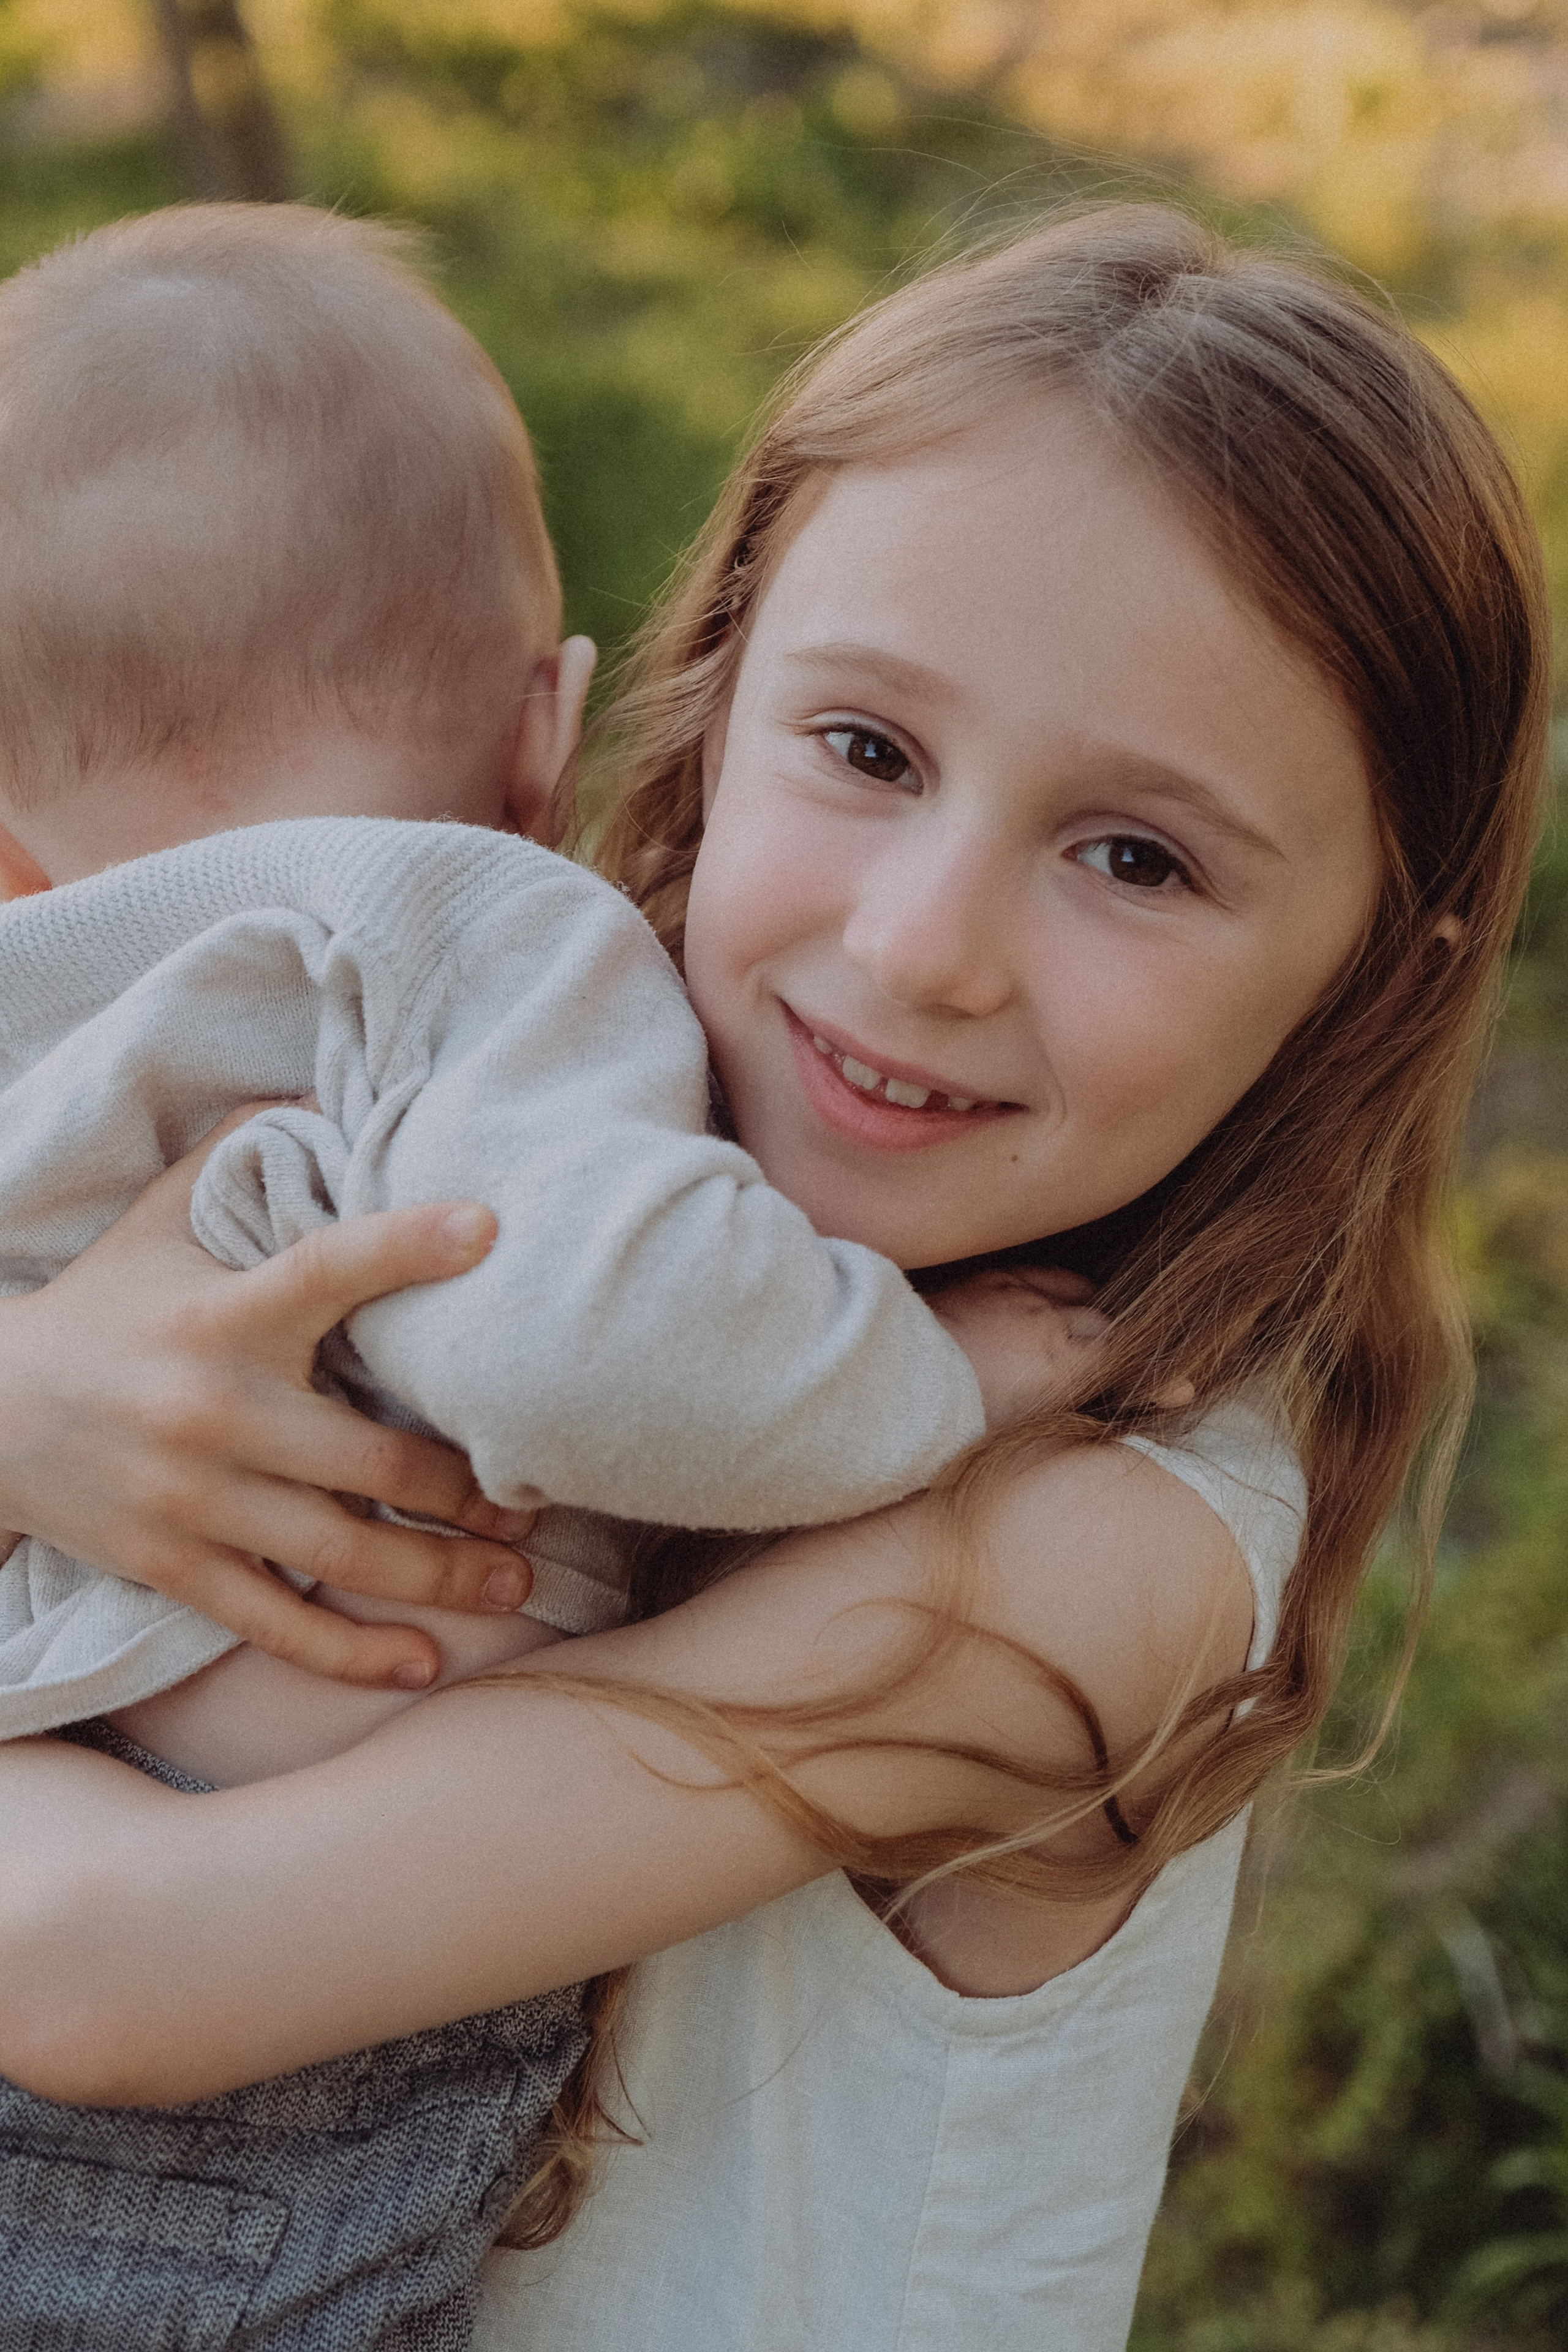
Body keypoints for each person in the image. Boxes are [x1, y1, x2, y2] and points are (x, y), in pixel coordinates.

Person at [0, 206, 1548, 2352]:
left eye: (1138, 858)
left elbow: (102, 1969)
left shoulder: (1099, 1545)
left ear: (1374, 973)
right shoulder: (568, 1150)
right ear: (713, 701)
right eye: (871, 752)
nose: (924, 944)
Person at [0, 201, 1080, 2350]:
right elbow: (581, 1340)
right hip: (245, 2113)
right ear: (546, 730)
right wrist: (933, 1377)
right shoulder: (472, 930)